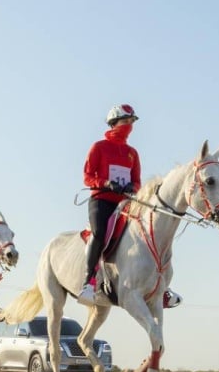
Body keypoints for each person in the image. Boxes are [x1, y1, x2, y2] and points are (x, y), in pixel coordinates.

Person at [78, 105, 182, 309]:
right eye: (126, 122)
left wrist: (130, 187)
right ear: (114, 123)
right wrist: (107, 183)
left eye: (131, 123)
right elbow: (87, 177)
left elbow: (137, 182)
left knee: (149, 234)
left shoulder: (132, 153)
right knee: (99, 234)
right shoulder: (98, 147)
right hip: (102, 200)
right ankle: (89, 282)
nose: (129, 126)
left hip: (126, 202)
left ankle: (161, 287)